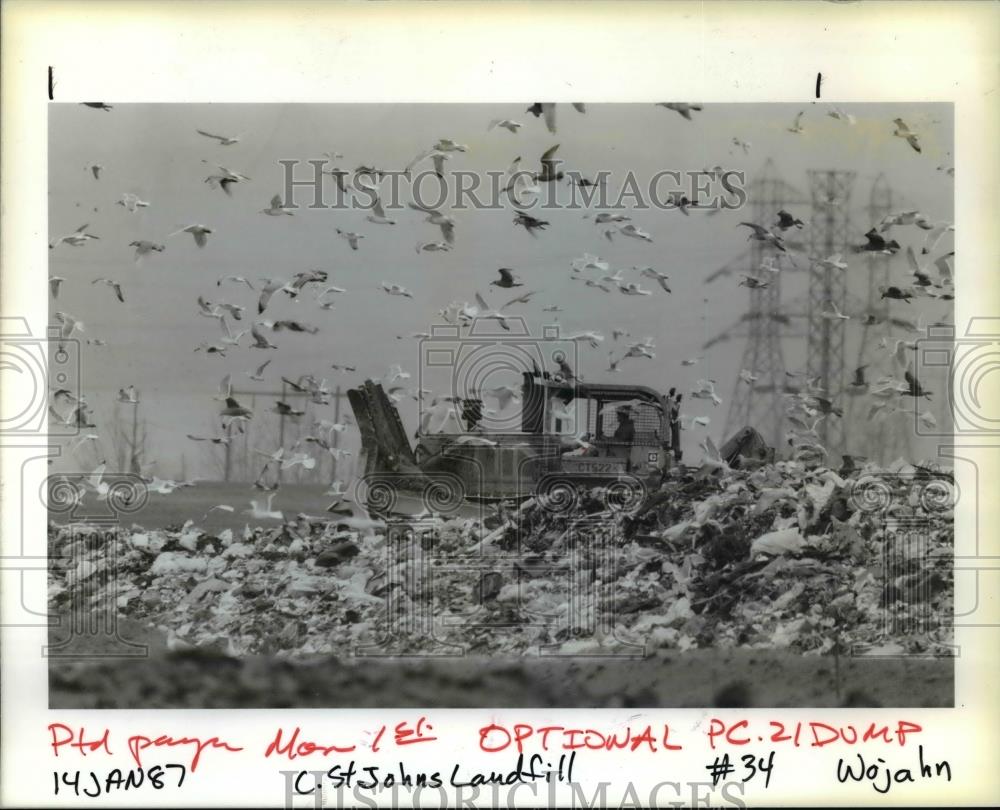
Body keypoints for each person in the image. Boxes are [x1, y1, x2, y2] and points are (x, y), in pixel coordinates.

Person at [669, 392, 682, 462]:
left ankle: (674, 449)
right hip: (675, 421)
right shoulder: (677, 404)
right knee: (675, 436)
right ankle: (675, 451)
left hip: (674, 421)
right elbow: (676, 411)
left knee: (674, 436)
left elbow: (674, 411)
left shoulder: (675, 403)